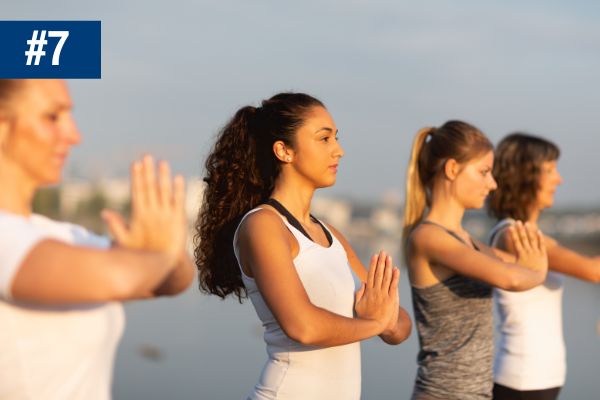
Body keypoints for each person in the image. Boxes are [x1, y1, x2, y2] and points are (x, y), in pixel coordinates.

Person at [194, 92, 412, 399]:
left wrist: (382, 320)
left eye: (336, 138)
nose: (339, 151)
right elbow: (302, 326)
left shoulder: (331, 235)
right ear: (284, 150)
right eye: (324, 139)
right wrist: (376, 322)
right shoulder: (263, 226)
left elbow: (401, 326)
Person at [0, 79, 194, 399]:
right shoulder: (10, 239)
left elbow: (174, 280)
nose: (74, 135)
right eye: (52, 117)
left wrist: (158, 255)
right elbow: (122, 276)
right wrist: (159, 253)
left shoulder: (59, 236)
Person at [401, 120, 549, 400]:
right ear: (452, 169)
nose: (492, 184)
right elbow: (512, 277)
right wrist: (537, 270)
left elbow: (514, 264)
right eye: (483, 172)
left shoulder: (467, 242)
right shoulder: (429, 237)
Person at [487, 133, 600, 400]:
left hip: (540, 380)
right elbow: (594, 270)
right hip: (522, 382)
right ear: (524, 175)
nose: (558, 179)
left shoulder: (534, 235)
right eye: (549, 170)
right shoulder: (515, 235)